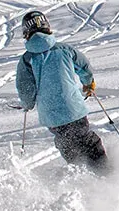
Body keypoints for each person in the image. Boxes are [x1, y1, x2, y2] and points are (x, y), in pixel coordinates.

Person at [15, 10, 108, 173]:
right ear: (47, 27)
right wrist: (88, 83)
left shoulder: (27, 60)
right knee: (86, 139)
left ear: (26, 33)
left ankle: (80, 176)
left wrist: (28, 104)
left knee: (67, 143)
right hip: (74, 108)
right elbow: (84, 66)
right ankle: (107, 174)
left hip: (51, 115)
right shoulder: (65, 49)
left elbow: (26, 88)